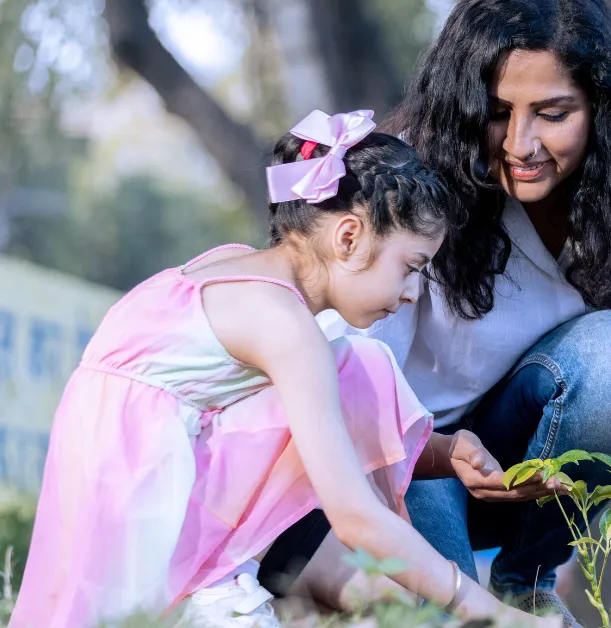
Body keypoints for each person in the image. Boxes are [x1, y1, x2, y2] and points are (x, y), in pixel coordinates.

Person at [266, 0, 611, 624]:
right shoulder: (408, 180)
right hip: (405, 462)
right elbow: (349, 392)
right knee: (447, 613)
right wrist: (441, 457)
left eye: (553, 114)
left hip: (536, 481)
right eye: (494, 114)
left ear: (602, 108)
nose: (521, 145)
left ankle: (529, 584)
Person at [11, 109, 558, 628]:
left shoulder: (236, 269)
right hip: (139, 504)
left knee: (357, 363)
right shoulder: (284, 325)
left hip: (138, 467)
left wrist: (442, 448)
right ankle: (215, 588)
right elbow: (355, 516)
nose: (414, 294)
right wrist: (488, 611)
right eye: (411, 268)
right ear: (348, 238)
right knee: (353, 364)